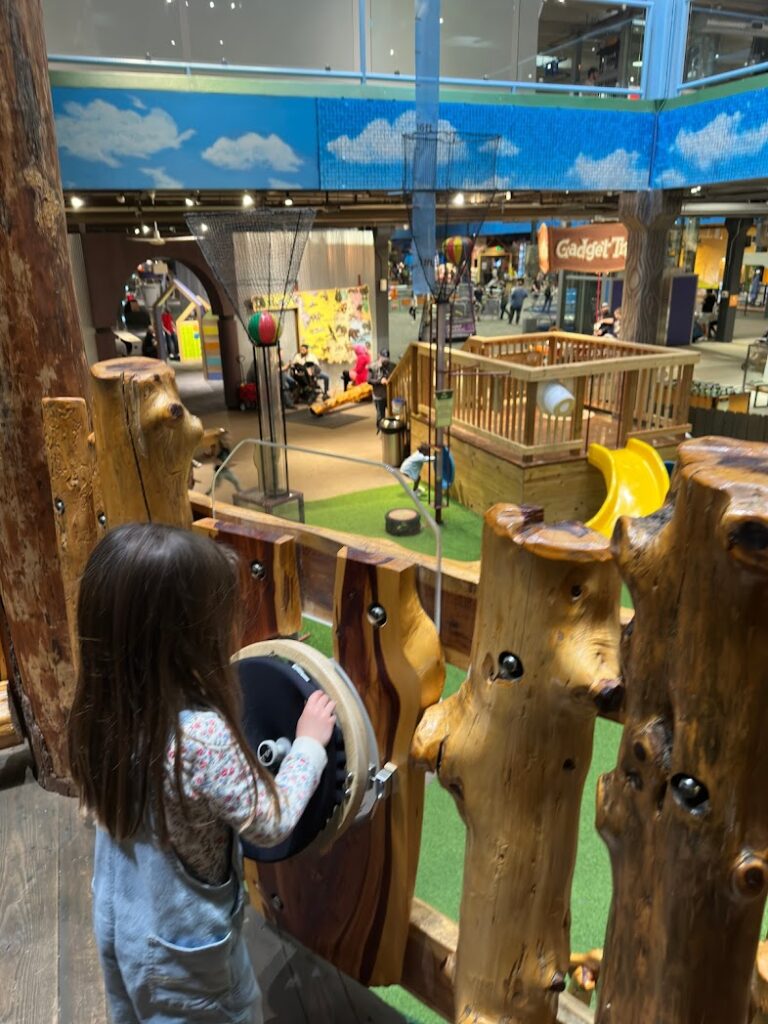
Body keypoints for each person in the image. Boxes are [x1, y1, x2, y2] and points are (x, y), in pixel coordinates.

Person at [68, 524, 336, 1024]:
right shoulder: (200, 738)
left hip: (120, 918)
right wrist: (308, 747)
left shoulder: (101, 710)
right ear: (187, 637)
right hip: (182, 955)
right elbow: (271, 821)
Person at [369, 349, 396, 428]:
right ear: (379, 356)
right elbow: (369, 380)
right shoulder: (373, 367)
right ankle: (380, 431)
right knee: (380, 416)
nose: (385, 361)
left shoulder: (392, 366)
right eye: (383, 358)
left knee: (393, 414)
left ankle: (391, 431)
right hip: (379, 395)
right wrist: (379, 381)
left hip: (390, 395)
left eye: (387, 358)